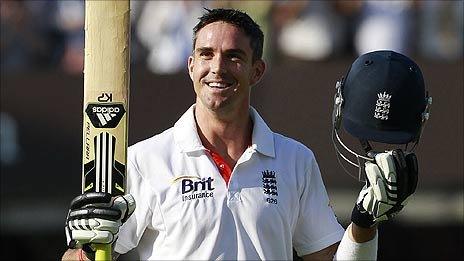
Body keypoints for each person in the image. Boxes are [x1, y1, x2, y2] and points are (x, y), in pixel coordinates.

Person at [62, 8, 421, 261]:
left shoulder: (295, 160)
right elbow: (86, 256)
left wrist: (364, 225)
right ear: (191, 66)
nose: (217, 68)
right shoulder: (144, 160)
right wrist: (86, 248)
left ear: (257, 70)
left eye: (234, 57)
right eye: (206, 54)